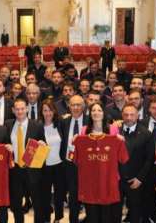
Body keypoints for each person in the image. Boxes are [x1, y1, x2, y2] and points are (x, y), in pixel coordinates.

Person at [73, 102, 127, 223]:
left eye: (99, 110)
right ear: (89, 114)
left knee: (107, 214)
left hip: (108, 178)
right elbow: (77, 157)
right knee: (92, 213)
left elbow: (121, 156)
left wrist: (121, 140)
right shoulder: (84, 130)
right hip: (90, 180)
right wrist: (75, 142)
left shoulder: (112, 129)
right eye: (93, 110)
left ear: (104, 113)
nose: (96, 113)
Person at [5, 99, 46, 223]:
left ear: (27, 109)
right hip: (15, 169)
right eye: (17, 109)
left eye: (22, 108)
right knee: (16, 203)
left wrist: (43, 143)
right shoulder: (8, 124)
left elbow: (43, 143)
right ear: (13, 110)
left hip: (32, 169)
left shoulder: (37, 125)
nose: (20, 111)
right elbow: (1, 139)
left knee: (37, 202)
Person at [119, 104, 154, 223]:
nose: (129, 118)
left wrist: (140, 178)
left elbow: (149, 159)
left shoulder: (146, 134)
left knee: (135, 212)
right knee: (114, 211)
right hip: (116, 180)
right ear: (122, 115)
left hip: (135, 180)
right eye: (126, 115)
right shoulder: (114, 131)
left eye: (132, 115)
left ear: (137, 116)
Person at [59, 95, 90, 223]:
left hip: (87, 165)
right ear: (69, 107)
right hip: (69, 163)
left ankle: (90, 218)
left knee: (88, 193)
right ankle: (73, 219)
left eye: (78, 105)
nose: (76, 108)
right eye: (73, 105)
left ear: (83, 107)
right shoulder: (64, 122)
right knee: (73, 194)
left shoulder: (89, 121)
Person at [39, 100, 65, 223]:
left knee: (59, 194)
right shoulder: (38, 126)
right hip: (44, 166)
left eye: (50, 110)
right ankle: (46, 218)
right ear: (41, 112)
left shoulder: (60, 124)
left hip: (59, 164)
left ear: (54, 111)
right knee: (45, 195)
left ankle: (58, 218)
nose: (48, 113)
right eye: (45, 110)